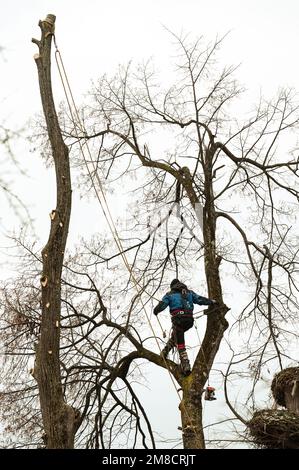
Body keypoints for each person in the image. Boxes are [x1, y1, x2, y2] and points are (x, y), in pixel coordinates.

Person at [153, 279, 217, 375]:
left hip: (178, 320)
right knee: (177, 335)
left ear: (172, 286)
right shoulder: (189, 293)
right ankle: (165, 351)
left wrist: (156, 310)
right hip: (188, 321)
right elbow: (200, 299)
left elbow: (162, 305)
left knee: (180, 342)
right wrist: (211, 301)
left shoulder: (170, 294)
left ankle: (185, 364)